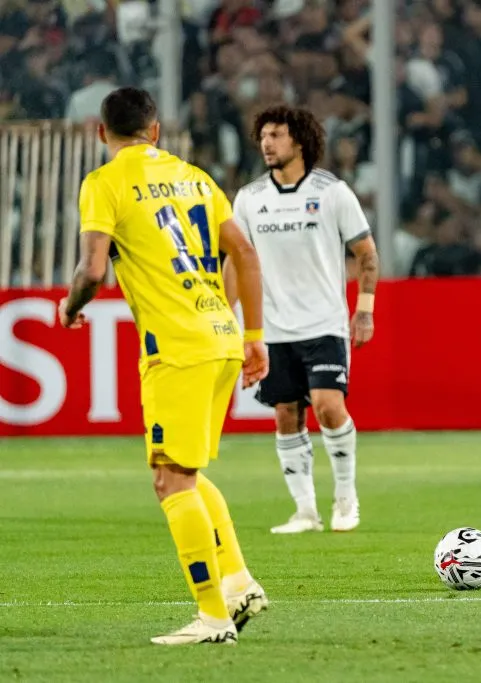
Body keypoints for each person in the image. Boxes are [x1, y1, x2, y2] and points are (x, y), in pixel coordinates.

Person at [58, 87, 269, 644]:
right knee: (187, 472)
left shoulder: (104, 183)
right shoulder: (196, 178)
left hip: (176, 347)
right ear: (155, 131)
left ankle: (213, 618)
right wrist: (254, 336)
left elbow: (93, 269)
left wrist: (70, 307)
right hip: (221, 336)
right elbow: (245, 253)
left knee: (169, 479)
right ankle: (238, 584)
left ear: (100, 132)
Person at [226, 105, 379, 534]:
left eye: (276, 135)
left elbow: (366, 254)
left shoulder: (333, 192)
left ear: (299, 140)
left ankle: (345, 498)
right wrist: (224, 314)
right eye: (263, 136)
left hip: (325, 323)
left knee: (329, 407)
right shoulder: (250, 198)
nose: (267, 143)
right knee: (285, 413)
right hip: (273, 327)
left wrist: (364, 310)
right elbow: (237, 262)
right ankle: (306, 511)